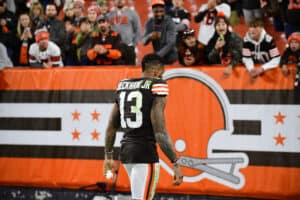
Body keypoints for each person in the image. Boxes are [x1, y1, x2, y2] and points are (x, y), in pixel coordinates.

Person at [103, 53, 183, 200]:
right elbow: (160, 133)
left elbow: (111, 127)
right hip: (145, 154)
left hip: (127, 153)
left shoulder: (123, 85)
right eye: (161, 74)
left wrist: (108, 156)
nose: (162, 77)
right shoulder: (157, 85)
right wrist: (175, 163)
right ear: (156, 71)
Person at [142, 0, 178, 64]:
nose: (159, 14)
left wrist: (157, 56)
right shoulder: (149, 22)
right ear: (152, 11)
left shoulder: (169, 22)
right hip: (158, 56)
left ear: (164, 10)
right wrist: (150, 36)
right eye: (156, 12)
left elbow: (171, 43)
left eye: (161, 11)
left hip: (171, 57)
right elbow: (143, 41)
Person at [107, 0, 142, 65]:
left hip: (128, 47)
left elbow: (138, 30)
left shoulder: (132, 13)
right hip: (114, 49)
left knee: (130, 70)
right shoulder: (109, 15)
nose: (119, 1)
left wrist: (133, 45)